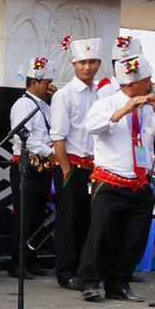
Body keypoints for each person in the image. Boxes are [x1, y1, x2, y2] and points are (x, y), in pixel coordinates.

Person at [77, 53, 155, 302]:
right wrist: (124, 110)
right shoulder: (106, 103)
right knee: (100, 235)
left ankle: (118, 284)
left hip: (140, 183)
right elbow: (92, 127)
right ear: (132, 84)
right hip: (110, 181)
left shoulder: (150, 109)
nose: (151, 84)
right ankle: (90, 282)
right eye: (147, 80)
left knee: (134, 238)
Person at [49, 36, 102, 289]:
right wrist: (66, 170)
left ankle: (84, 270)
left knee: (87, 221)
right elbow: (58, 137)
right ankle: (66, 272)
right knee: (68, 222)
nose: (87, 67)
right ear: (73, 64)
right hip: (71, 165)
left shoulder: (99, 95)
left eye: (92, 62)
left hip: (93, 168)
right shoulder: (65, 95)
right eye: (82, 62)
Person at [7, 57, 56, 278]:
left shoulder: (45, 105)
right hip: (26, 165)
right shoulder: (22, 104)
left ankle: (31, 259)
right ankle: (17, 263)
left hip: (43, 166)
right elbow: (22, 135)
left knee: (38, 215)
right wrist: (51, 152)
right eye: (46, 82)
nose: (49, 86)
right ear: (34, 81)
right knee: (24, 215)